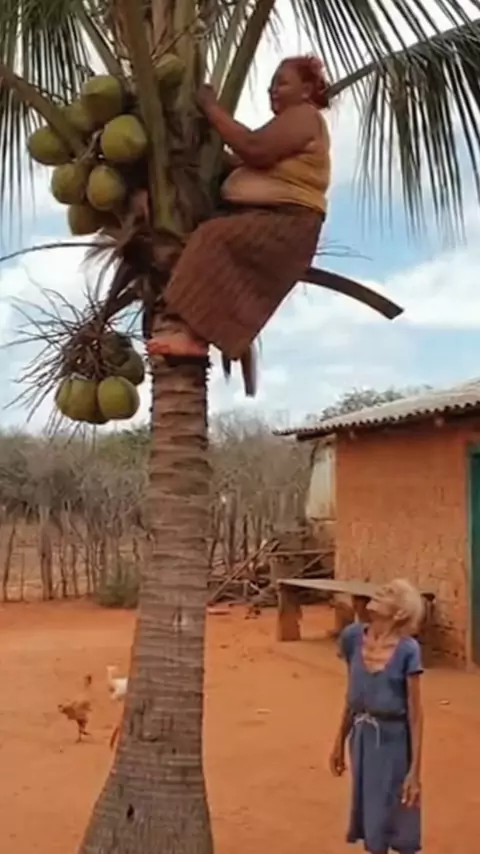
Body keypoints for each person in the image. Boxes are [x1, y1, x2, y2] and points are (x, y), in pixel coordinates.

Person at [147, 55, 331, 385]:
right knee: (212, 245)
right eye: (271, 83)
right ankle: (195, 336)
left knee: (212, 237)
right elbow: (247, 162)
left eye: (282, 82)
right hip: (275, 220)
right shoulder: (291, 125)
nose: (272, 89)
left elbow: (253, 148)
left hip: (286, 222)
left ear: (306, 90)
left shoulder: (304, 115)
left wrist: (210, 107)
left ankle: (189, 334)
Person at [330, 579, 425, 854]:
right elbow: (352, 696)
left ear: (400, 612)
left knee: (399, 815)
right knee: (372, 817)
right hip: (362, 739)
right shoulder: (352, 637)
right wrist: (339, 742)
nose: (380, 591)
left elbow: (416, 715)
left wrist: (414, 772)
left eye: (390, 592)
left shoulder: (408, 650)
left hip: (394, 744)